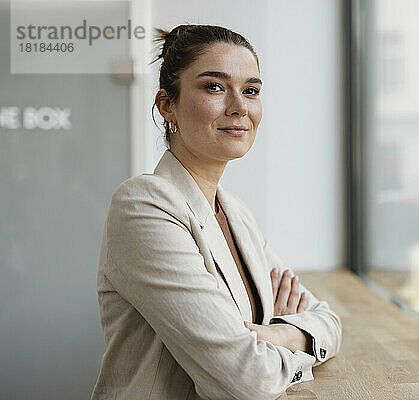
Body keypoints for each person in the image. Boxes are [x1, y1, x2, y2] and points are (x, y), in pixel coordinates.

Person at [91, 24, 342, 400]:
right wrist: (296, 341)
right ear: (167, 105)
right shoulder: (143, 206)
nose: (240, 106)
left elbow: (329, 320)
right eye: (214, 86)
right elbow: (247, 380)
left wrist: (281, 334)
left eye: (251, 90)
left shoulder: (235, 212)